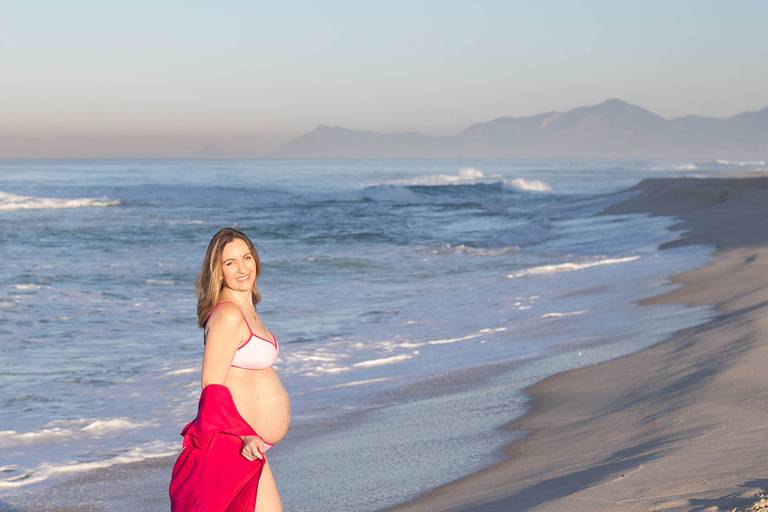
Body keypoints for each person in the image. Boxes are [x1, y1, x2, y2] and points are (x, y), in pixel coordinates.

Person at [169, 227, 290, 511]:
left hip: (247, 444)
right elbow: (212, 385)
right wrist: (245, 434)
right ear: (218, 271)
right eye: (230, 263)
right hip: (236, 444)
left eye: (246, 258)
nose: (242, 268)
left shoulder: (246, 309)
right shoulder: (227, 315)